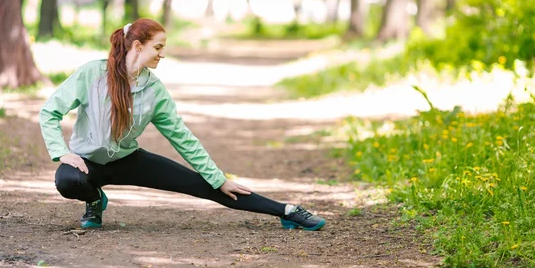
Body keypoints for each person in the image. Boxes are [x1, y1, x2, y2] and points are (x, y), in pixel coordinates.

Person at [38, 18, 325, 231]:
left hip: (128, 160)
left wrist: (218, 178)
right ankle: (94, 199)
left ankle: (287, 212)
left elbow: (182, 137)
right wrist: (62, 152)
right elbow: (49, 111)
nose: (162, 53)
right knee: (67, 181)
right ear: (137, 46)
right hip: (85, 163)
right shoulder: (93, 74)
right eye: (158, 47)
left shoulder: (155, 91)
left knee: (207, 186)